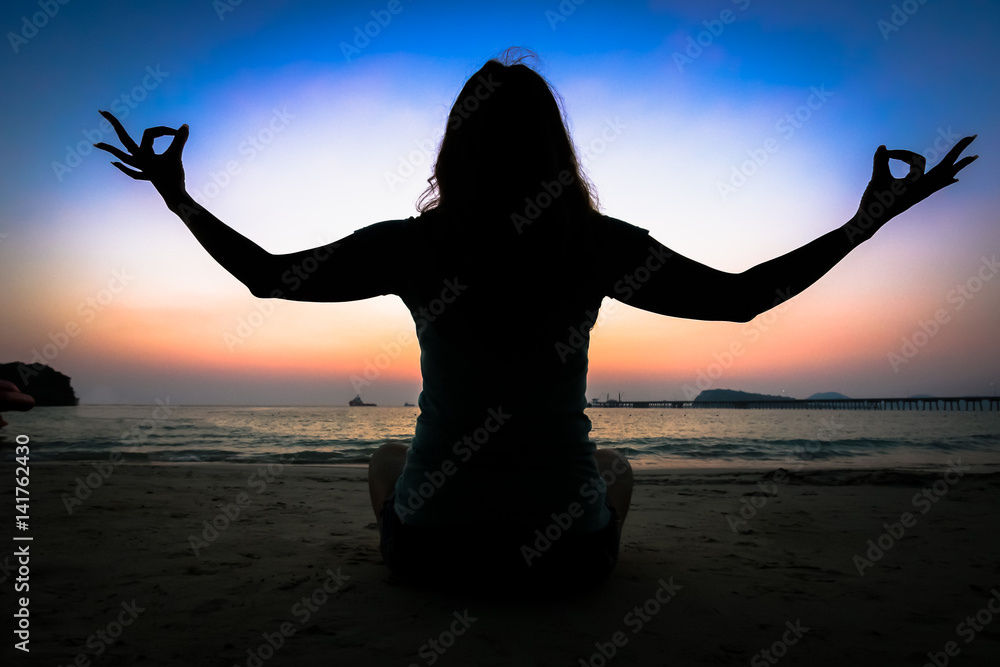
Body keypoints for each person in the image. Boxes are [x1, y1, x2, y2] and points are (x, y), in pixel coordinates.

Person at [96, 52, 977, 592]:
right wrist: (869, 222)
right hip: (563, 564)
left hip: (434, 555)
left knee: (383, 459)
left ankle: (417, 535)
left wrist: (178, 198)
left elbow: (266, 277)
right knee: (615, 465)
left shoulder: (413, 246)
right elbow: (744, 295)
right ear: (555, 149)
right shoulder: (593, 245)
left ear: (453, 148)